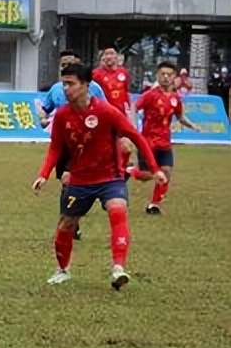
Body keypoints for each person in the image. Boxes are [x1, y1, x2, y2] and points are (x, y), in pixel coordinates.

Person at [32, 62, 164, 290]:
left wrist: (154, 168)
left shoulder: (106, 111)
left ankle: (118, 268)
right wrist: (43, 174)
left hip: (110, 177)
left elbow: (135, 136)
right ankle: (62, 270)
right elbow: (55, 147)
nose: (66, 89)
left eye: (71, 84)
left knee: (117, 209)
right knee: (66, 224)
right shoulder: (62, 115)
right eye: (64, 84)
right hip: (79, 180)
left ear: (86, 85)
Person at [39, 50, 107, 240]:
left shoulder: (94, 88)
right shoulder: (56, 89)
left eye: (70, 63)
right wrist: (43, 119)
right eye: (63, 64)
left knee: (81, 182)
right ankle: (69, 222)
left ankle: (72, 219)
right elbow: (44, 110)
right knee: (67, 182)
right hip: (64, 144)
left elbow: (105, 111)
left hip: (88, 144)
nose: (66, 66)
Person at [129, 61, 202, 214]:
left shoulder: (175, 98)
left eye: (169, 74)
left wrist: (193, 126)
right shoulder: (150, 95)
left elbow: (180, 117)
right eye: (163, 74)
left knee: (166, 172)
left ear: (174, 77)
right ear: (157, 76)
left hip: (165, 143)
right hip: (148, 142)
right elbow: (135, 106)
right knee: (146, 176)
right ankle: (128, 171)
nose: (166, 77)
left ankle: (154, 204)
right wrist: (132, 122)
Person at [92, 46, 134, 170]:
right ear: (102, 58)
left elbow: (126, 92)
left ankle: (122, 168)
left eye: (111, 54)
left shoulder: (123, 73)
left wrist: (129, 112)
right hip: (104, 115)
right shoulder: (96, 74)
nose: (109, 57)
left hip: (121, 114)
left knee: (126, 144)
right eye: (106, 54)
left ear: (117, 57)